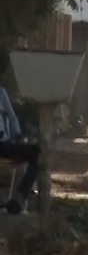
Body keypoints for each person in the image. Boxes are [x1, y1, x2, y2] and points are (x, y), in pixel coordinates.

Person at [0, 76, 39, 216]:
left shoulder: (1, 92)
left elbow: (12, 117)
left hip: (4, 145)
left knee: (37, 153)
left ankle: (19, 198)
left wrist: (16, 135)